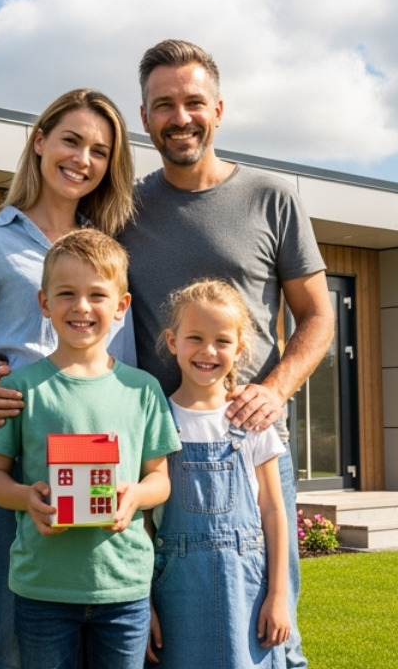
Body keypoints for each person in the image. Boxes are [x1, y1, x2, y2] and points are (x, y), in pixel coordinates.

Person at [0, 40, 335, 669]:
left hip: (249, 447)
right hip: (150, 452)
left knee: (266, 634)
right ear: (146, 116)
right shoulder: (122, 211)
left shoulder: (272, 197)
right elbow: (57, 249)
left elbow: (318, 315)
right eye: (163, 105)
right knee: (154, 636)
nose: (180, 117)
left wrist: (277, 388)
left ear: (219, 108)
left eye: (193, 102)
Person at [0, 88, 136, 669]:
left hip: (105, 468)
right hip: (17, 470)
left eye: (100, 150)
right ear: (39, 140)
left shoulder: (115, 250)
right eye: (71, 140)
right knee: (14, 644)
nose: (83, 159)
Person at [0, 229, 181, 669]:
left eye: (97, 295)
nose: (82, 307)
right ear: (45, 303)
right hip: (42, 588)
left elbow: (160, 479)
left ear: (121, 306)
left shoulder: (142, 389)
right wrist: (25, 497)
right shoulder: (21, 389)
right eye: (67, 293)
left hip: (123, 586)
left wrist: (135, 496)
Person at [148, 279, 290, 669]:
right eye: (195, 337)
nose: (208, 351)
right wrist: (145, 606)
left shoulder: (252, 419)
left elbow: (274, 511)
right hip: (175, 593)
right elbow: (142, 526)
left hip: (247, 590)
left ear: (240, 349)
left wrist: (279, 595)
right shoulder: (155, 418)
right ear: (172, 341)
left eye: (222, 341)